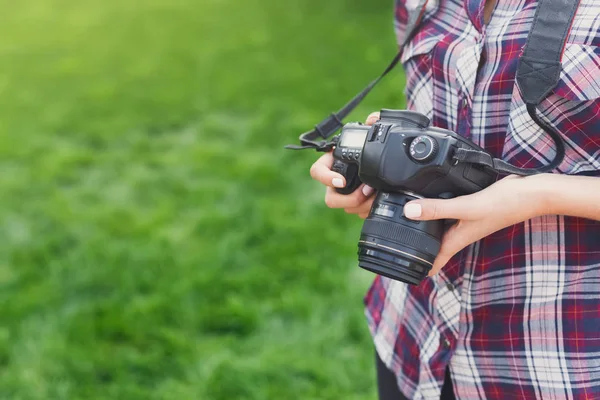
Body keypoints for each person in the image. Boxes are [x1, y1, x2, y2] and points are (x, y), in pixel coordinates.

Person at [309, 0, 600, 399]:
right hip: (411, 334)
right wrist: (369, 161)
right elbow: (429, 118)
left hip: (552, 360)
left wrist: (541, 194)